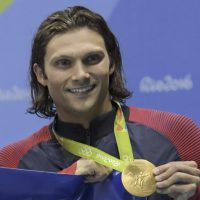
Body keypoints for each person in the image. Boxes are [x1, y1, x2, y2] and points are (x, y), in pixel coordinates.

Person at [0, 6, 200, 200]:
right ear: (41, 74)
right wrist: (63, 183)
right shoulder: (11, 163)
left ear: (111, 62)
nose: (80, 75)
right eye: (63, 63)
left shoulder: (178, 133)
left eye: (92, 58)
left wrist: (194, 195)